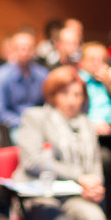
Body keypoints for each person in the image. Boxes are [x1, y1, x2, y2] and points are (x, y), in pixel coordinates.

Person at [12, 66, 106, 220]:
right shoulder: (35, 117)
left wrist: (95, 186)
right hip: (41, 192)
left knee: (95, 216)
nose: (71, 100)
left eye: (77, 95)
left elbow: (95, 161)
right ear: (52, 95)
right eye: (64, 94)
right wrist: (79, 176)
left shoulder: (86, 124)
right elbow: (33, 161)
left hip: (76, 194)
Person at [0, 31, 49, 143]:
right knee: (29, 141)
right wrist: (22, 122)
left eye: (29, 48)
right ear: (12, 50)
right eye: (20, 48)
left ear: (35, 50)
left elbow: (50, 104)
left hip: (40, 123)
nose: (24, 52)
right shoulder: (2, 75)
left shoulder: (43, 74)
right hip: (16, 126)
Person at [78, 42, 111, 135]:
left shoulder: (108, 80)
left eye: (103, 60)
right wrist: (90, 126)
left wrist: (109, 84)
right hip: (87, 130)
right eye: (92, 60)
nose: (98, 63)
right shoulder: (77, 81)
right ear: (81, 62)